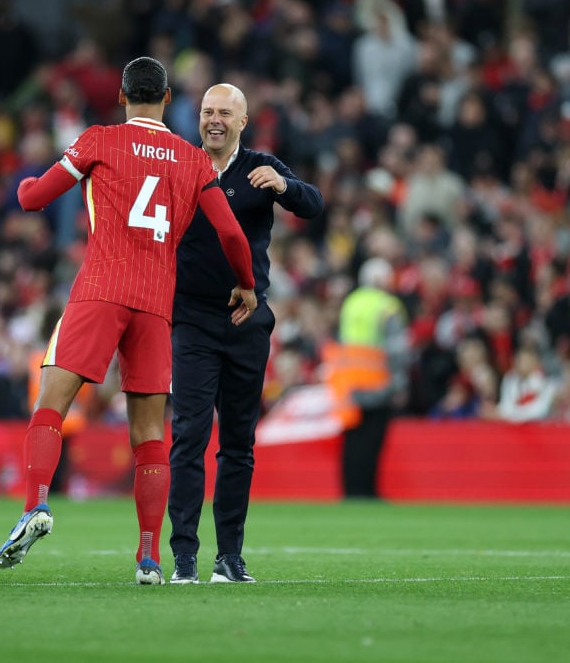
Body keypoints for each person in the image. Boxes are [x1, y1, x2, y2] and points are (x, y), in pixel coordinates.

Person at [0, 56, 258, 585]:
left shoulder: (98, 141)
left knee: (51, 405)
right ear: (166, 99)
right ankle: (148, 557)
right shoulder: (192, 160)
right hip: (156, 306)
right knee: (148, 436)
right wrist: (247, 284)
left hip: (100, 290)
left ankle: (35, 505)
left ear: (121, 96)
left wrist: (24, 184)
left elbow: (33, 198)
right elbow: (231, 234)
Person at [167, 83, 325, 585]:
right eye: (207, 112)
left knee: (238, 443)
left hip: (246, 323)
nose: (214, 120)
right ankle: (184, 557)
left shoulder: (261, 166)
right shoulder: (178, 165)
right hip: (191, 320)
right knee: (188, 437)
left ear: (243, 120)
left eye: (224, 113)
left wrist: (284, 185)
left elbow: (314, 205)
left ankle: (229, 557)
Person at [328, 257, 409, 498]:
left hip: (350, 383)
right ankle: (368, 491)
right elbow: (397, 350)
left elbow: (343, 341)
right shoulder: (388, 306)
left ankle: (351, 491)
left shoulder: (351, 303)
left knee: (352, 440)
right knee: (373, 440)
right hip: (378, 383)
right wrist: (399, 384)